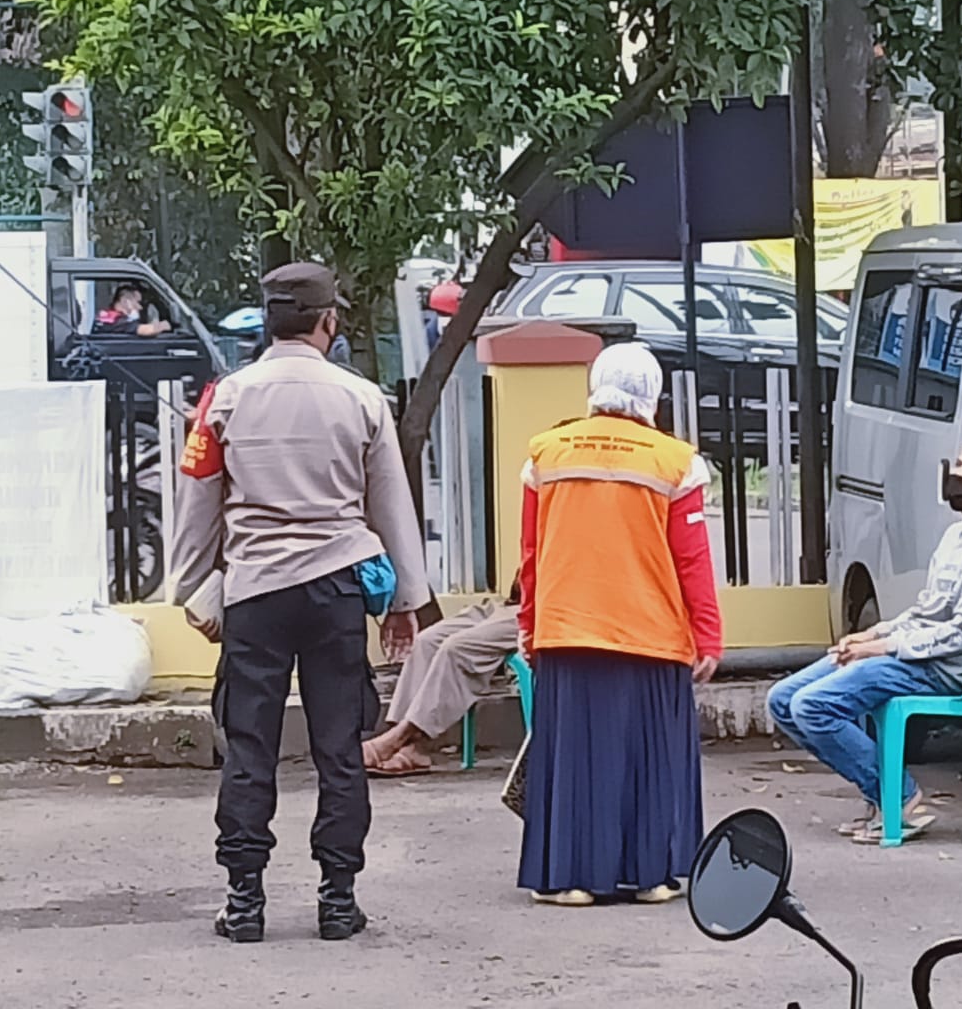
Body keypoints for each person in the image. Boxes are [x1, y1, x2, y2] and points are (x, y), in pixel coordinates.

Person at [168, 261, 427, 944]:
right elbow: (390, 507)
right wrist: (405, 597)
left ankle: (245, 900)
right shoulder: (362, 397)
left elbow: (199, 501)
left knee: (249, 748)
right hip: (337, 588)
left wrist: (194, 589)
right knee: (339, 748)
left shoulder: (225, 397)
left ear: (268, 321)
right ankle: (337, 900)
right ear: (328, 322)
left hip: (255, 592)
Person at [517, 342, 723, 907]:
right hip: (651, 629)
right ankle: (652, 875)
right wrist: (707, 634)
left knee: (577, 755)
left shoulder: (546, 454)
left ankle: (572, 879)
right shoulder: (675, 460)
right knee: (649, 753)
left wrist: (530, 626)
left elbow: (531, 554)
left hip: (567, 626)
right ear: (651, 393)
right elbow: (692, 559)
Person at [768, 435, 962, 844]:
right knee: (782, 700)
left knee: (813, 706)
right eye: (958, 464)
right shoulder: (955, 536)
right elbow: (926, 610)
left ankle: (900, 798)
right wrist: (874, 632)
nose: (959, 475)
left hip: (940, 670)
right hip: (911, 654)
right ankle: (880, 795)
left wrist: (883, 647)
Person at [362, 577, 522, 776]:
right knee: (426, 641)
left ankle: (398, 737)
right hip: (514, 602)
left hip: (544, 611)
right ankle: (413, 748)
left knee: (456, 648)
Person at [94, 284, 170, 337]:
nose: (140, 307)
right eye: (138, 302)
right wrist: (165, 324)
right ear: (125, 301)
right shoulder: (119, 321)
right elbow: (147, 331)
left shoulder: (107, 316)